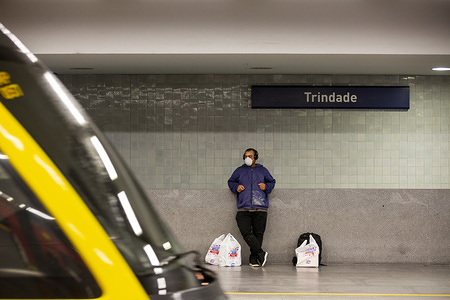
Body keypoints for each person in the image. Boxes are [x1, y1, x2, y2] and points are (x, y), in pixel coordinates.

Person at [227, 148, 276, 267]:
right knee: (246, 232)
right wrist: (236, 187)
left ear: (255, 157)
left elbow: (272, 182)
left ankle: (254, 259)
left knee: (258, 234)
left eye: (250, 156)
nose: (247, 158)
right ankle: (260, 253)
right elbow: (231, 182)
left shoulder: (263, 170)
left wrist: (266, 186)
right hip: (244, 208)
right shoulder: (239, 171)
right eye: (245, 156)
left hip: (260, 207)